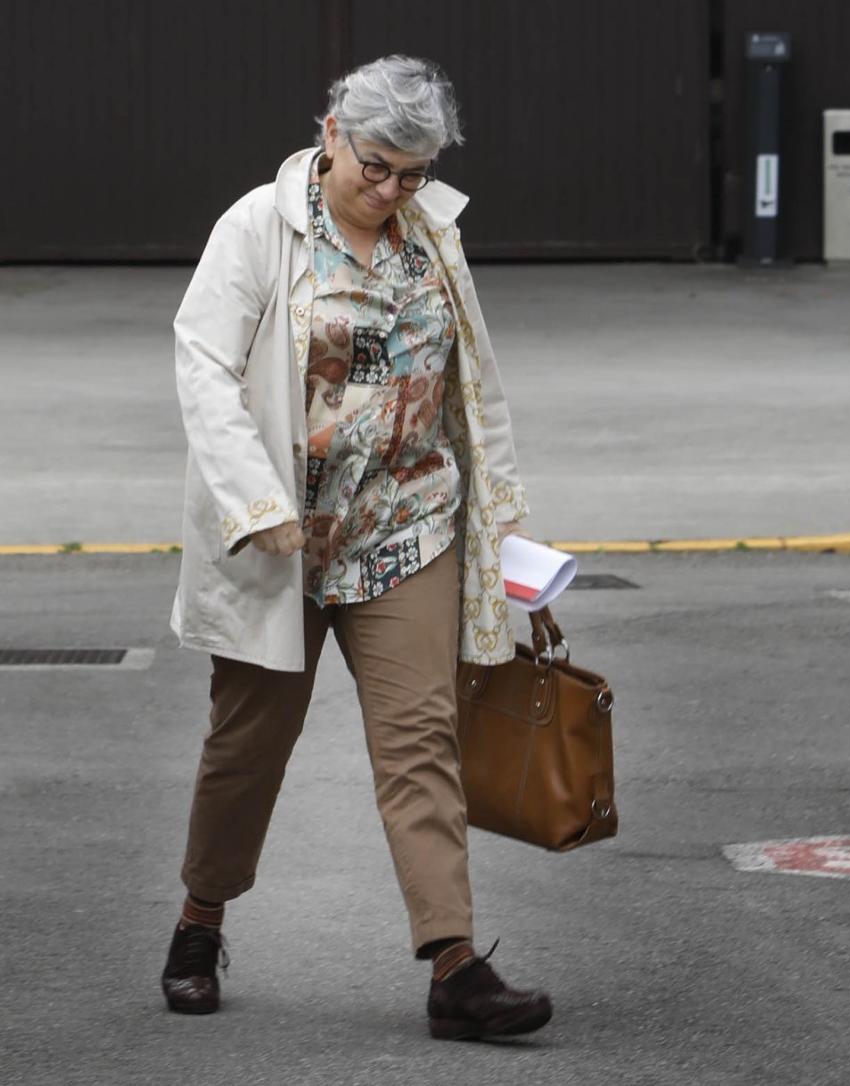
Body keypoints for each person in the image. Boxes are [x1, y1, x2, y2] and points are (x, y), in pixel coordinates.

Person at [162, 54, 551, 1041]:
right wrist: (260, 506)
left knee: (421, 742)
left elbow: (479, 395)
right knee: (246, 749)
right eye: (375, 166)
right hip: (286, 536)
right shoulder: (259, 226)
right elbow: (205, 371)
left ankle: (454, 965)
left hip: (404, 528)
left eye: (412, 174)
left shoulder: (434, 238)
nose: (389, 192)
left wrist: (510, 546)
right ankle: (201, 920)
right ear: (331, 129)